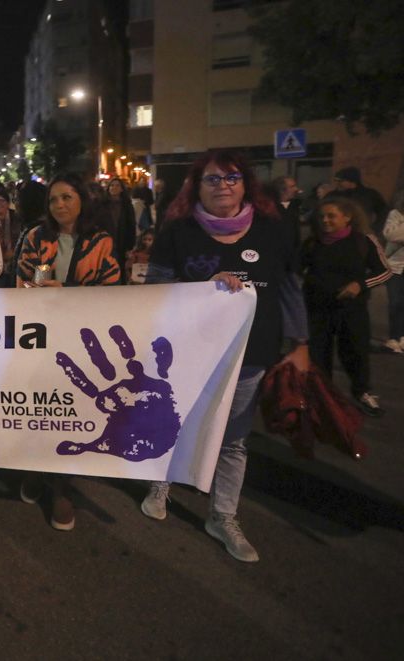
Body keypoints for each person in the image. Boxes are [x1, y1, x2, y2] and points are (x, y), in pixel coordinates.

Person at [139, 149, 310, 563]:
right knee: (178, 421)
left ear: (245, 183)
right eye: (212, 179)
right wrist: (204, 288)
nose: (223, 186)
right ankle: (163, 481)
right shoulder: (178, 231)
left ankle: (222, 515)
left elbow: (290, 287)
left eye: (231, 178)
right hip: (189, 351)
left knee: (234, 441)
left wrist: (301, 344)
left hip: (252, 352)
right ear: (197, 187)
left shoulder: (272, 229)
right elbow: (157, 289)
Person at [14, 173, 121, 531]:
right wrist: (42, 289)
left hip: (82, 342)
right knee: (38, 409)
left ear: (82, 200)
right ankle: (36, 472)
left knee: (69, 414)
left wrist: (69, 290)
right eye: (53, 199)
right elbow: (25, 283)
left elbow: (112, 289)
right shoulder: (35, 237)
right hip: (41, 336)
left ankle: (61, 488)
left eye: (67, 197)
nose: (59, 205)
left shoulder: (101, 242)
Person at [301, 196, 391, 417]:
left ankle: (362, 393)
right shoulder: (312, 243)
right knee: (319, 357)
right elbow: (294, 272)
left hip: (352, 311)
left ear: (347, 217)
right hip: (317, 310)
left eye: (331, 216)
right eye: (322, 216)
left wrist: (360, 285)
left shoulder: (364, 241)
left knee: (356, 354)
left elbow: (385, 272)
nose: (325, 220)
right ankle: (324, 398)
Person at [332, 166, 388, 234]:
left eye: (341, 181)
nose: (338, 184)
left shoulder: (370, 194)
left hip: (361, 234)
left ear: (352, 181)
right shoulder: (334, 195)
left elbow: (383, 212)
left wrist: (375, 229)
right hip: (338, 234)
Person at [383, 190, 404, 353]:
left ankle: (402, 337)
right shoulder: (395, 214)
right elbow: (390, 235)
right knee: (395, 302)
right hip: (396, 266)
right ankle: (394, 337)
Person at [0, 188, 22, 287]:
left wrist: (13, 252)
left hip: (15, 264)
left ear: (8, 203)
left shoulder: (17, 218)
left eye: (1, 201)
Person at [104, 177, 137, 271]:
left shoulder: (127, 205)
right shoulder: (102, 204)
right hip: (106, 242)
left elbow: (131, 225)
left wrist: (130, 246)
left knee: (120, 268)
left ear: (122, 189)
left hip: (121, 242)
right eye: (112, 185)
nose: (114, 187)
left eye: (117, 185)